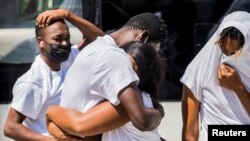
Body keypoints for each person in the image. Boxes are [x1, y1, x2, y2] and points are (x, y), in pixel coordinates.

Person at [42, 11, 167, 140]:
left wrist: (52, 118)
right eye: (149, 52)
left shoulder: (96, 47)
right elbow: (142, 119)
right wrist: (160, 111)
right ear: (141, 38)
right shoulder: (116, 59)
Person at [4, 9, 104, 141]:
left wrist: (67, 15)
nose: (65, 44)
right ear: (40, 42)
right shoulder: (33, 81)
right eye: (57, 39)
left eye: (67, 38)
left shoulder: (68, 58)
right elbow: (11, 127)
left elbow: (100, 40)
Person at [181, 11, 250, 141]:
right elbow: (190, 132)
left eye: (235, 53)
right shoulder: (199, 70)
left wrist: (238, 88)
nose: (227, 58)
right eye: (224, 50)